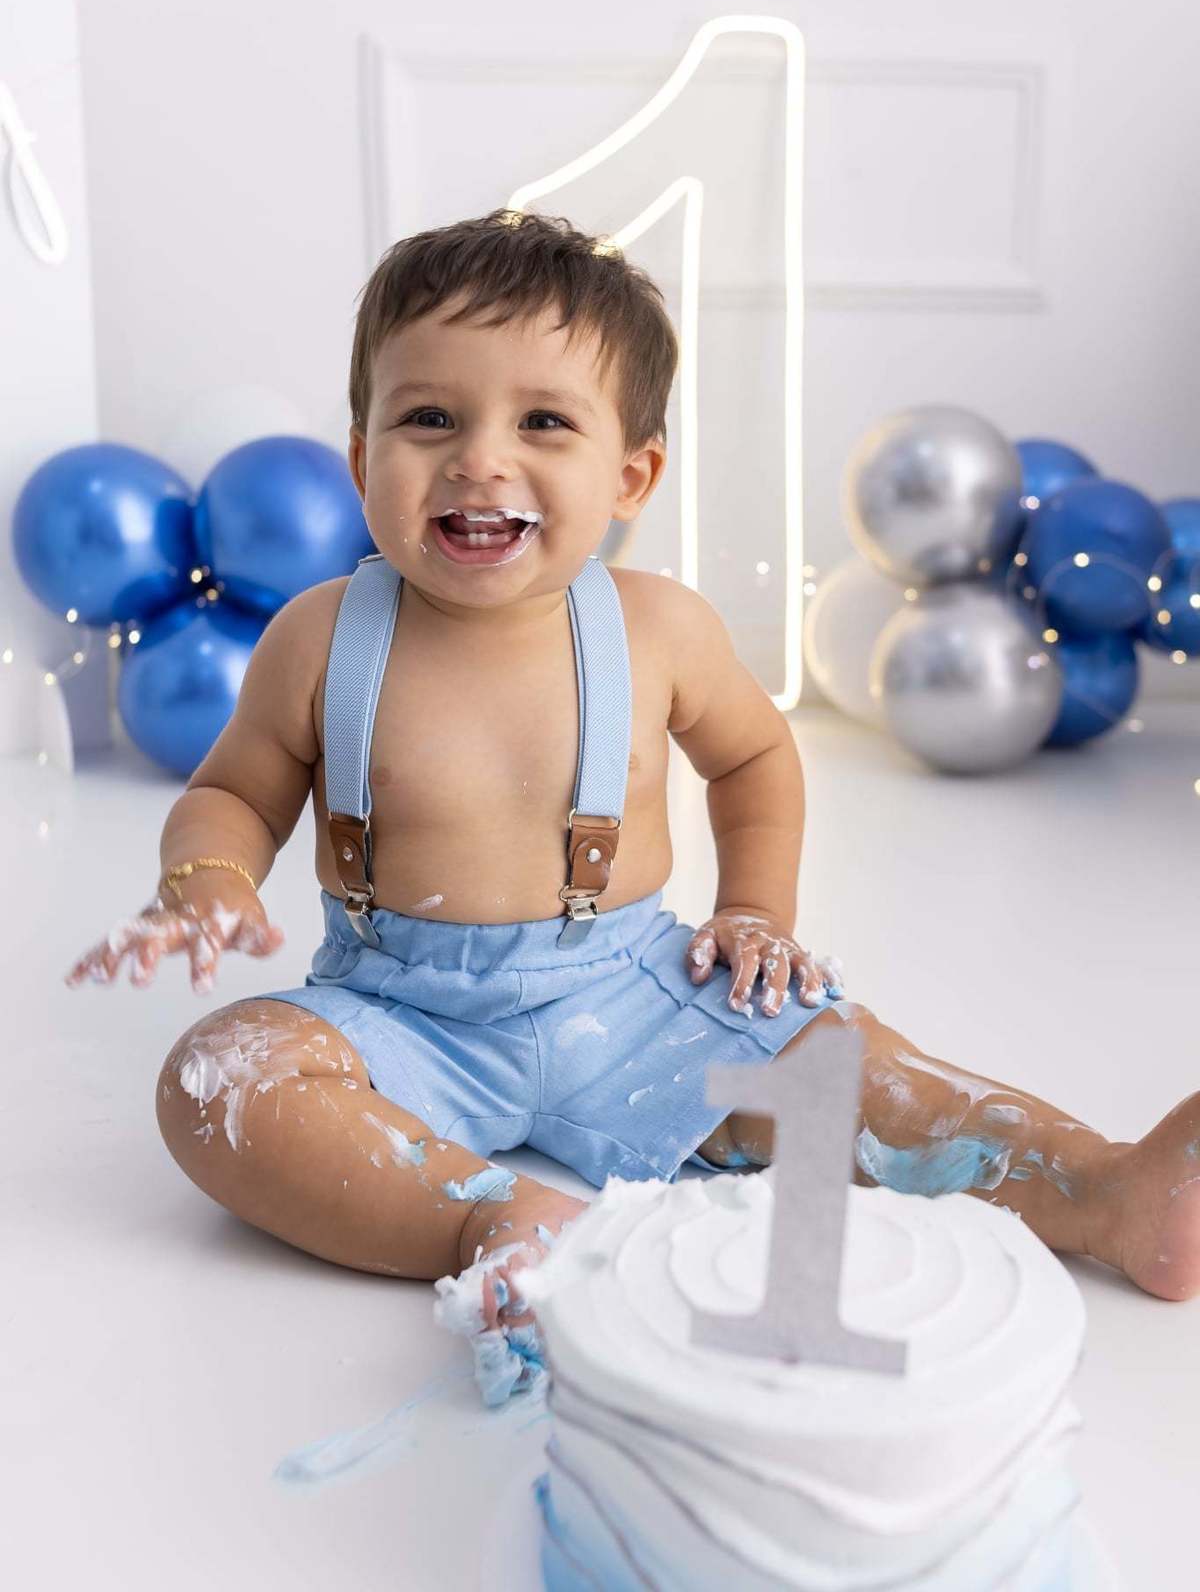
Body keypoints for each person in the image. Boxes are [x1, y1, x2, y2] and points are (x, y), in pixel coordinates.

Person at [66, 210, 1200, 1401]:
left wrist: (755, 913)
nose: (479, 459)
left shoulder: (658, 628)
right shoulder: (321, 636)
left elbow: (756, 761)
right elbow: (235, 789)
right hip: (404, 1019)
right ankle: (487, 1215)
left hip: (635, 996)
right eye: (428, 419)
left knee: (853, 1073)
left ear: (631, 475)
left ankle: (1110, 1190)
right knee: (221, 1078)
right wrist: (204, 880)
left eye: (542, 421)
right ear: (362, 462)